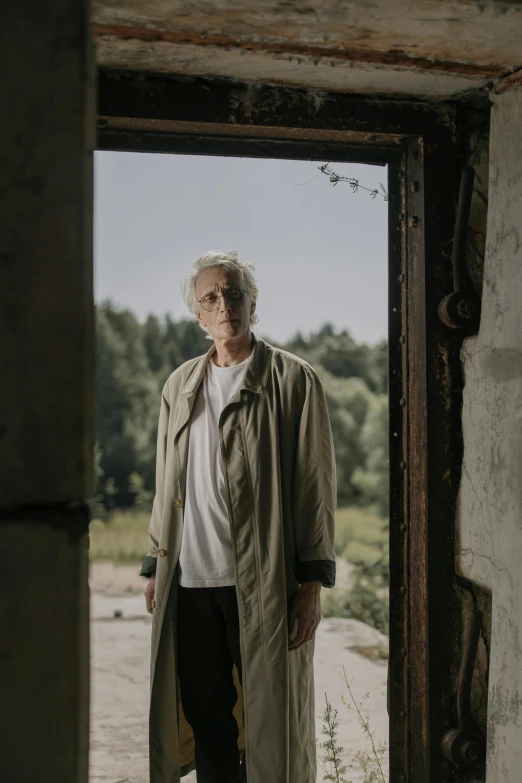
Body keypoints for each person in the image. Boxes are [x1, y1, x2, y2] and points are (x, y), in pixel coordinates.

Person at [140, 250, 336, 783]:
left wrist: (312, 582)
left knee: (271, 720)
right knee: (207, 721)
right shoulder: (179, 386)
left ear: (252, 302)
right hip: (191, 580)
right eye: (210, 298)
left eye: (233, 293)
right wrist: (155, 563)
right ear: (198, 316)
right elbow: (166, 480)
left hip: (265, 585)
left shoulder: (294, 380)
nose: (224, 304)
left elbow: (314, 488)